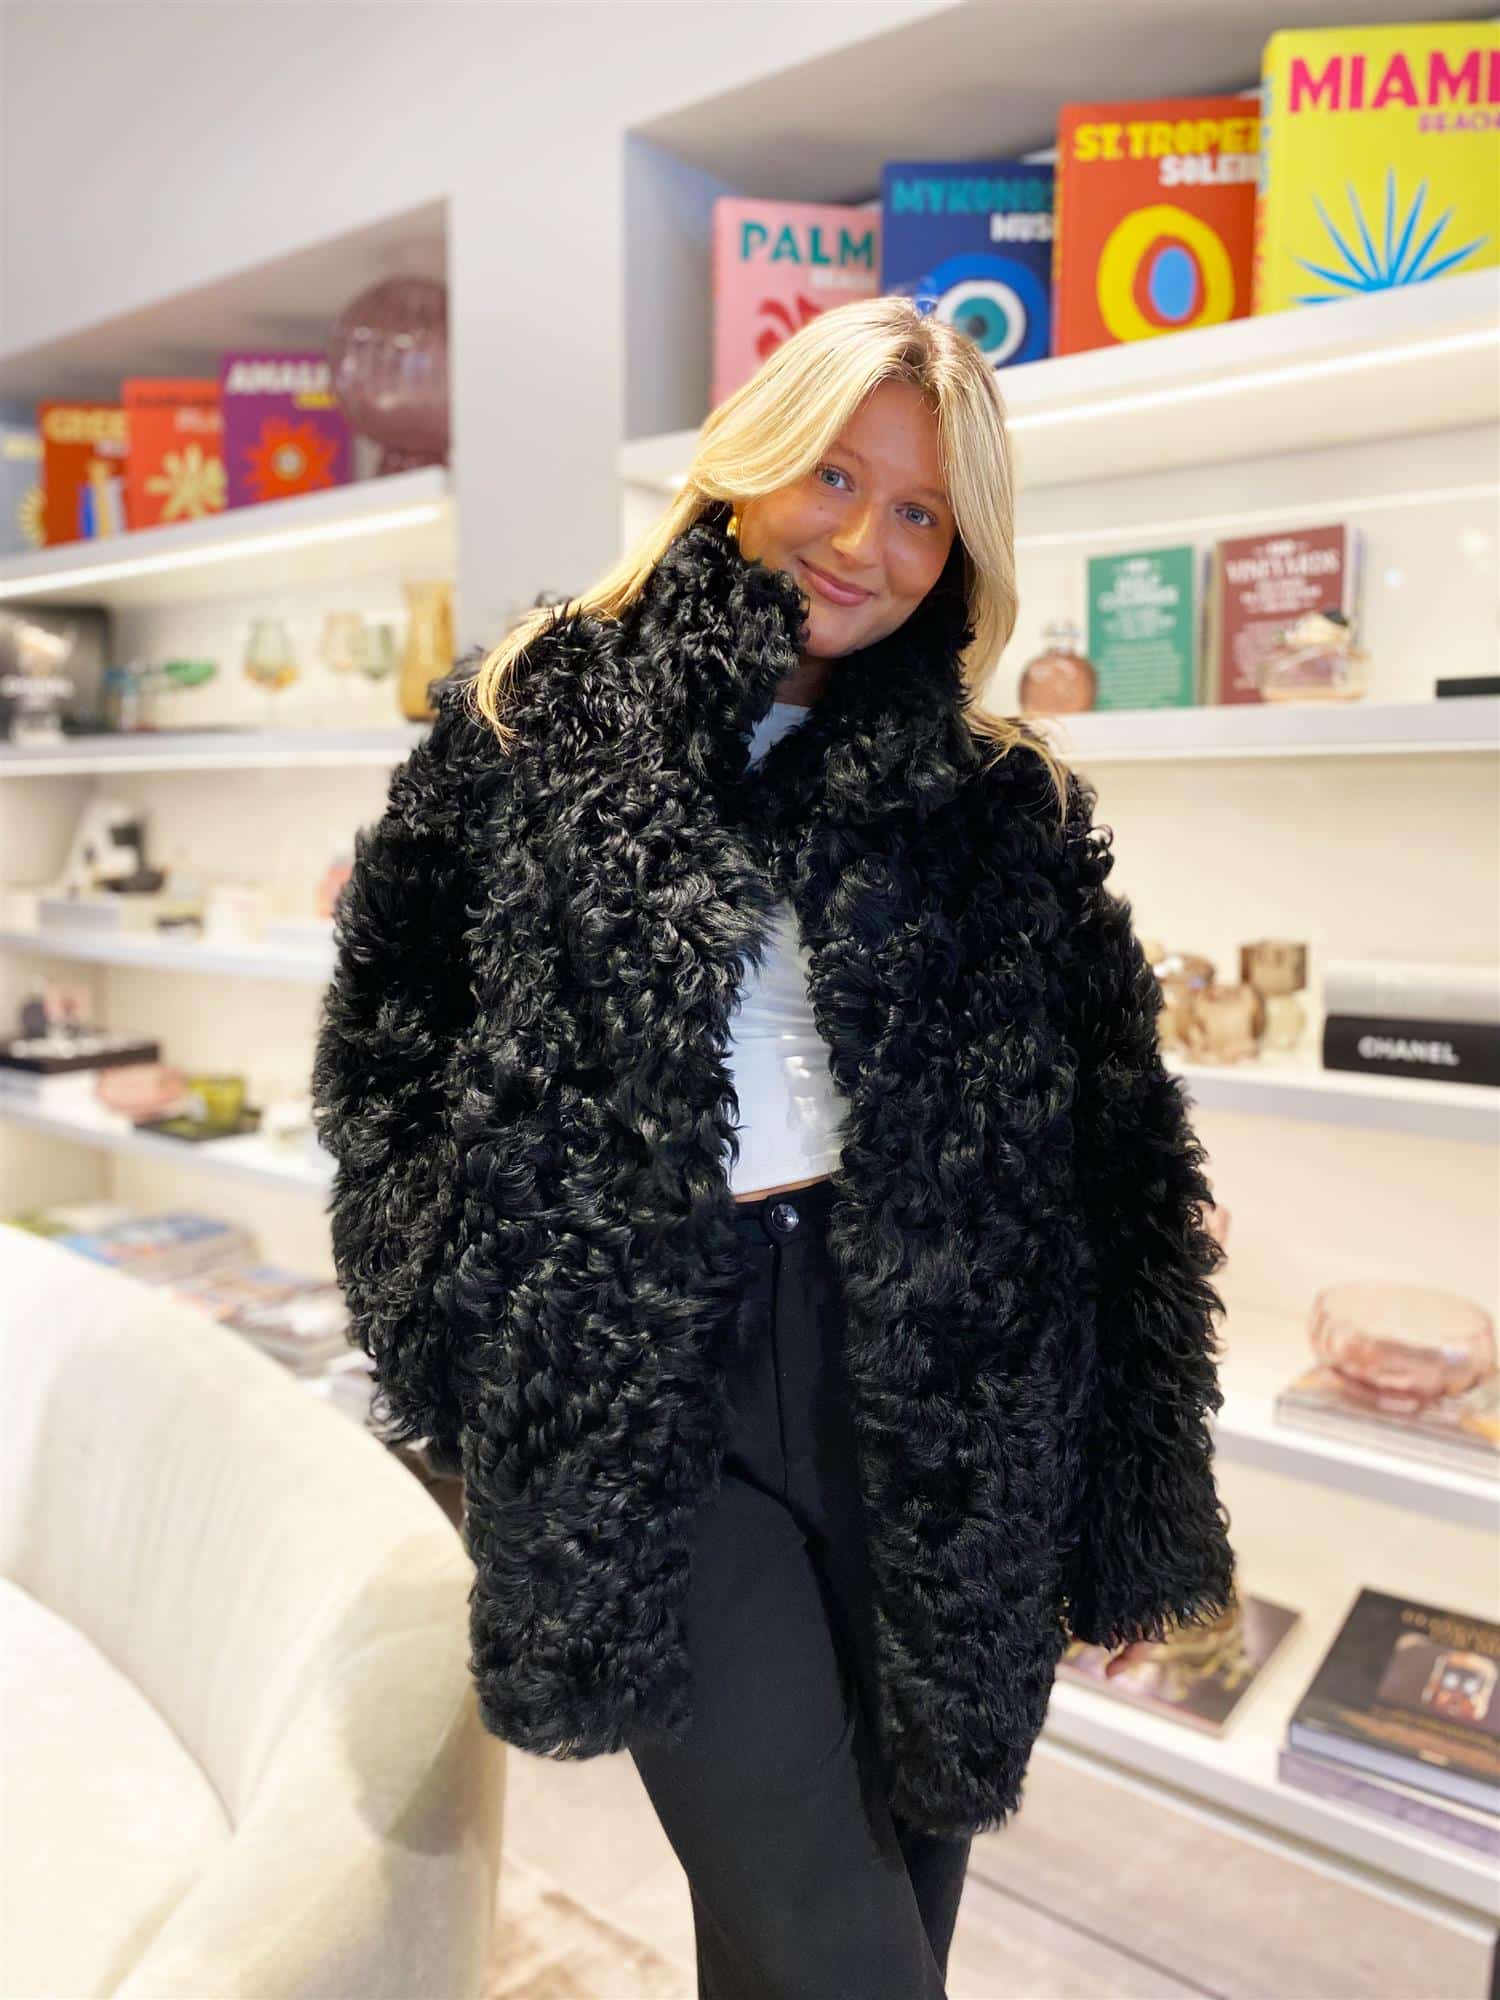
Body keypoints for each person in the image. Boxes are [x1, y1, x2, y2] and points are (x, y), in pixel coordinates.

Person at [311, 295, 1238, 2000]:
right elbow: (387, 1043)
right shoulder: (540, 716)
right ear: (749, 461)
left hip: (935, 1382)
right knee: (835, 1940)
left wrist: (1137, 1500)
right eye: (833, 474)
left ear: (961, 552)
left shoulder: (995, 798)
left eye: (921, 511)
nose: (864, 541)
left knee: (883, 1893)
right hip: (652, 1371)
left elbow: (1120, 1158)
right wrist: (457, 1323)